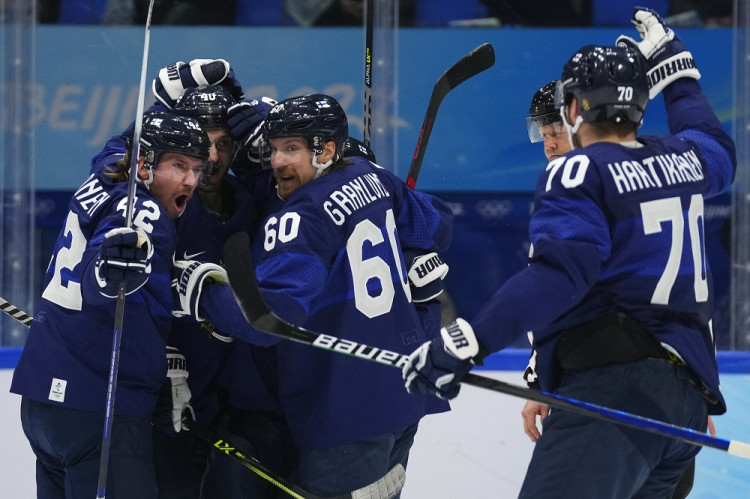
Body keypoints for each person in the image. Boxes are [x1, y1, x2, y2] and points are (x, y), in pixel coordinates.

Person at [402, 7, 735, 498]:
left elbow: (559, 277)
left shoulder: (581, 172)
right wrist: (679, 74)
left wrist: (468, 341)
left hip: (617, 391)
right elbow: (717, 148)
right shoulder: (682, 159)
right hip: (684, 399)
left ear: (574, 109)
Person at [174, 93, 453, 497]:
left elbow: (272, 320)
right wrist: (412, 258)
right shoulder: (374, 177)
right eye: (272, 149)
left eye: (291, 149)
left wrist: (200, 294)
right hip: (403, 395)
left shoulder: (300, 217)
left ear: (326, 150)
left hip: (346, 412)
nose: (276, 162)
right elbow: (439, 227)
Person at [10, 110, 210, 498]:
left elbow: (120, 142)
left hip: (42, 406)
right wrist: (110, 272)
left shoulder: (103, 175)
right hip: (100, 409)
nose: (190, 180)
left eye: (197, 168)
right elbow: (104, 270)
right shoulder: (144, 209)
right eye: (179, 165)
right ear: (144, 165)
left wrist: (165, 104)